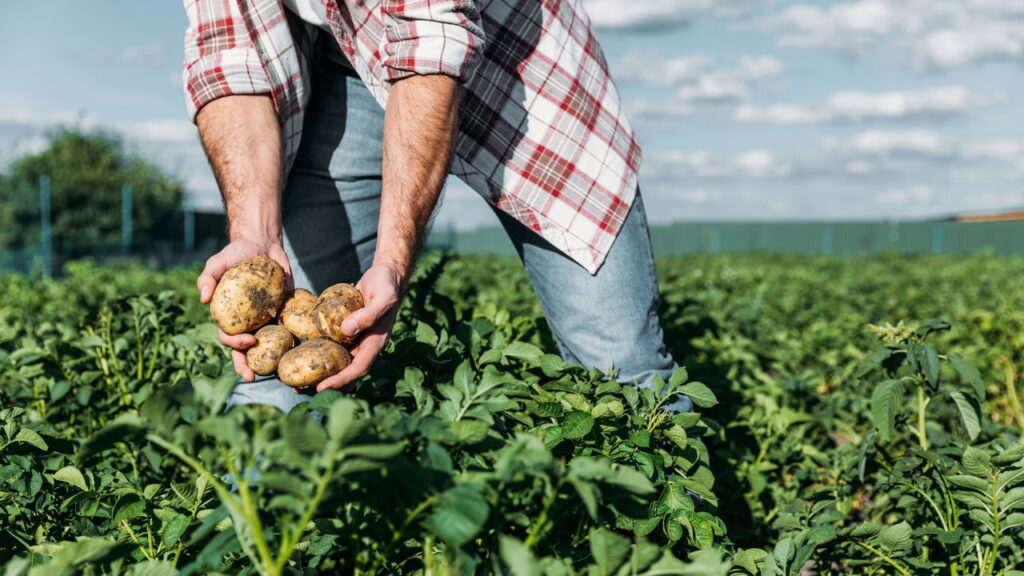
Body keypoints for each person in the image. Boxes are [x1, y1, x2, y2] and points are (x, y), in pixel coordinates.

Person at [184, 0, 692, 413]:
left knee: (622, 370)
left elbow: (430, 39)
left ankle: (659, 529)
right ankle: (264, 531)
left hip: (518, 62)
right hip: (342, 61)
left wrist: (391, 263)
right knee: (276, 377)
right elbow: (229, 55)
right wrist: (255, 234)